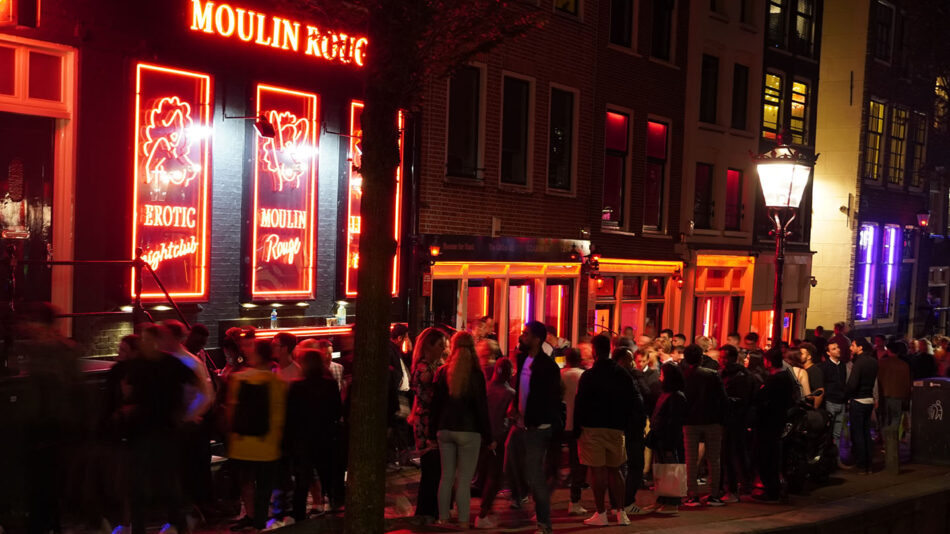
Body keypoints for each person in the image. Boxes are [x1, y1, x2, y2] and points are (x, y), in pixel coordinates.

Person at [123, 324, 197, 534]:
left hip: (158, 430)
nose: (145, 344)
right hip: (150, 429)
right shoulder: (165, 363)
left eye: (147, 339)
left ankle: (170, 522)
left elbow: (197, 384)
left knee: (158, 479)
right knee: (153, 480)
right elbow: (196, 384)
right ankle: (169, 523)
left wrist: (186, 412)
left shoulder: (163, 364)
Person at [428, 332, 492, 527]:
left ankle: (443, 518)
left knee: (446, 477)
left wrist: (432, 432)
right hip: (469, 430)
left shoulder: (442, 372)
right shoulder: (476, 374)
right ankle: (463, 521)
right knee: (464, 480)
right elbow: (481, 408)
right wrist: (488, 436)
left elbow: (435, 406)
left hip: (445, 429)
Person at [573, 336, 636, 526]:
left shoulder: (589, 376)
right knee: (616, 470)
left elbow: (580, 404)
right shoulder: (623, 375)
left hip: (592, 427)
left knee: (597, 471)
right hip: (616, 428)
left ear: (594, 351)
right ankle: (621, 512)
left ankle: (601, 513)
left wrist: (577, 429)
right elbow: (630, 402)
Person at [227, 339, 288, 531]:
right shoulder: (275, 382)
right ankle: (260, 522)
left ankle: (250, 516)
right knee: (264, 486)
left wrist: (232, 435)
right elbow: (278, 415)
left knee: (246, 483)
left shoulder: (239, 378)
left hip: (241, 442)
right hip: (266, 444)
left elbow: (231, 410)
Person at [508, 321, 562, 534]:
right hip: (522, 423)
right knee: (512, 465)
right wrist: (515, 408)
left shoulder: (547, 366)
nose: (522, 337)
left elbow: (548, 398)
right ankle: (523, 500)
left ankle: (544, 522)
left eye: (526, 334)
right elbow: (523, 391)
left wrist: (533, 421)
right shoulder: (524, 360)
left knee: (534, 474)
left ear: (537, 339)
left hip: (537, 427)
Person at [286, 349, 342, 521]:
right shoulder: (330, 384)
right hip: (325, 437)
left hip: (303, 438)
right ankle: (334, 506)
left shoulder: (297, 386)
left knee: (303, 480)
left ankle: (299, 514)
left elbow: (291, 415)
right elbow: (336, 410)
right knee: (327, 474)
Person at [680, 344, 728, 507]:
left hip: (690, 421)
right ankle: (714, 494)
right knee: (714, 459)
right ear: (701, 357)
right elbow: (723, 398)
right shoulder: (712, 375)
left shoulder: (684, 375)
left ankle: (692, 494)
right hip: (711, 420)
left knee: (691, 459)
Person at [409, 327, 448, 521]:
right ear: (429, 346)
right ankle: (426, 511)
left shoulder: (433, 366)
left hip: (429, 421)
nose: (444, 349)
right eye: (441, 345)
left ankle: (429, 510)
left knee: (435, 468)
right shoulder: (425, 368)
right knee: (431, 468)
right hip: (426, 423)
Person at [475, 358, 517, 529]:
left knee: (481, 474)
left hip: (481, 437)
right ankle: (483, 512)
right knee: (495, 477)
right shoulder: (510, 393)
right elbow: (510, 416)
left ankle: (479, 508)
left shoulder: (485, 388)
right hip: (498, 438)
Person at [751, 348, 797, 503]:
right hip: (778, 422)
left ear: (768, 361)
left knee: (766, 457)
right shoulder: (786, 378)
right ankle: (775, 489)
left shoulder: (774, 380)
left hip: (768, 424)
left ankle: (771, 491)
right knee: (774, 457)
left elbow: (760, 400)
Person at [643, 362, 687, 515]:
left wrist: (669, 442)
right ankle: (661, 500)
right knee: (662, 471)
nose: (660, 376)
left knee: (671, 470)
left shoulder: (676, 396)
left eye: (662, 374)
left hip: (668, 440)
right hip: (661, 438)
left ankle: (672, 503)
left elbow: (673, 422)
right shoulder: (668, 393)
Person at [611, 347, 649, 518]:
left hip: (620, 427)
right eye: (628, 359)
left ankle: (617, 503)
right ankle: (625, 502)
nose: (632, 362)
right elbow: (645, 395)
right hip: (630, 428)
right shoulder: (630, 377)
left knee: (619, 467)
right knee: (634, 465)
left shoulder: (613, 377)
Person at [719, 344, 754, 501]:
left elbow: (744, 399)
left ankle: (735, 488)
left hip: (736, 420)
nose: (722, 360)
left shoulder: (742, 376)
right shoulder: (724, 374)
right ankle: (739, 486)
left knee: (733, 454)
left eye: (725, 357)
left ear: (732, 358)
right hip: (729, 419)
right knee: (733, 454)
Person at [559, 347, 588, 515]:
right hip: (577, 424)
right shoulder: (583, 376)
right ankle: (574, 500)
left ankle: (543, 501)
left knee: (555, 460)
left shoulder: (561, 375)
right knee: (578, 462)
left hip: (561, 423)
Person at [846, 338, 878, 474]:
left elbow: (853, 384)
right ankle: (869, 464)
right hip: (869, 400)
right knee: (866, 433)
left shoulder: (858, 362)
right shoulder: (873, 362)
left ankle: (861, 464)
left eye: (853, 345)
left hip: (858, 400)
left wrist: (845, 395)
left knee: (857, 433)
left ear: (860, 348)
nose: (850, 348)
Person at [820, 339, 848, 462]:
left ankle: (836, 460)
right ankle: (828, 460)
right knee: (829, 432)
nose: (838, 350)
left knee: (837, 433)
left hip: (841, 401)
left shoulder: (842, 365)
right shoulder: (825, 366)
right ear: (828, 353)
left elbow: (843, 382)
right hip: (830, 401)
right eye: (834, 349)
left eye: (837, 347)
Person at [878, 341, 911, 441]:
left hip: (883, 394)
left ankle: (885, 441)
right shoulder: (904, 365)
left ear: (888, 350)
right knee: (895, 419)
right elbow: (907, 384)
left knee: (884, 419)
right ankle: (892, 441)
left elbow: (877, 380)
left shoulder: (881, 363)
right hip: (898, 396)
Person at [800, 342, 825, 409]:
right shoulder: (802, 369)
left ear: (809, 357)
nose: (799, 355)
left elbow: (820, 391)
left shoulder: (815, 371)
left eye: (801, 354)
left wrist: (814, 409)